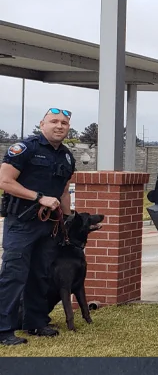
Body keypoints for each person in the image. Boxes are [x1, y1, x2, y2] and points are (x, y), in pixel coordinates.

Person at [0, 108, 75, 345]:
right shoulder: (25, 148)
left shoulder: (66, 156)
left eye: (64, 123)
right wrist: (38, 197)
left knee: (40, 275)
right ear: (42, 123)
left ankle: (34, 322)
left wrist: (68, 218)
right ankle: (3, 330)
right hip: (21, 223)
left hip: (49, 226)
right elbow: (4, 181)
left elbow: (63, 191)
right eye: (54, 121)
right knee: (14, 275)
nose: (59, 126)